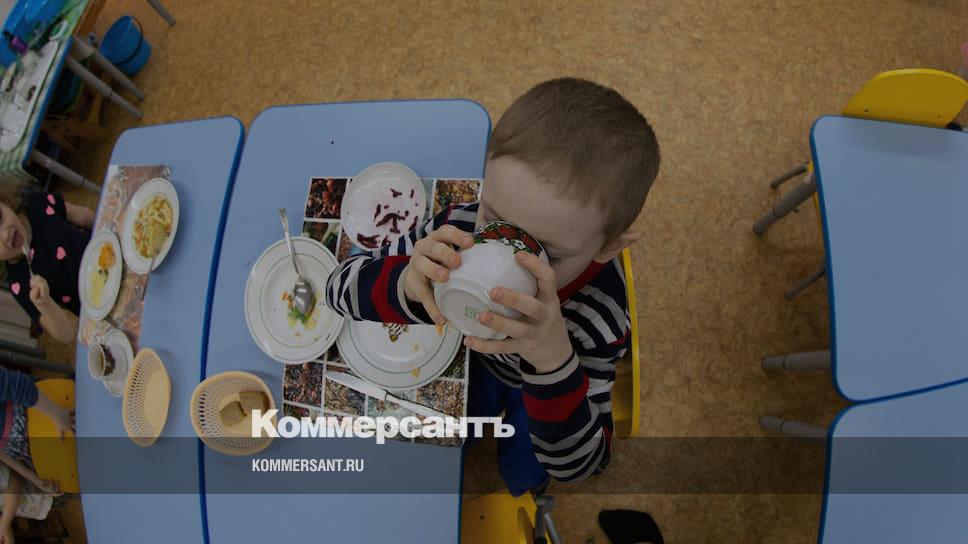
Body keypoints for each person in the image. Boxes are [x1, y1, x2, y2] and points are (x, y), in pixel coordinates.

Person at [325, 78, 660, 495]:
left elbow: (582, 464)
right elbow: (337, 288)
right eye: (494, 223)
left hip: (545, 388)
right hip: (473, 359)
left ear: (608, 248)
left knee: (523, 473)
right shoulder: (459, 227)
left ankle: (520, 476)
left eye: (544, 253)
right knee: (443, 439)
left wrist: (554, 362)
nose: (504, 262)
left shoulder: (599, 319)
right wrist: (406, 284)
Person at [0, 185, 94, 343]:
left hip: (108, 251)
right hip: (98, 303)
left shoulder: (36, 203)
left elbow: (82, 215)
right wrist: (44, 304)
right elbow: (66, 334)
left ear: (5, 203)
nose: (4, 235)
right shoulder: (20, 284)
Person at [0, 366, 74, 543]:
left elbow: (16, 385)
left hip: (39, 414)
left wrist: (57, 415)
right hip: (31, 450)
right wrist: (35, 479)